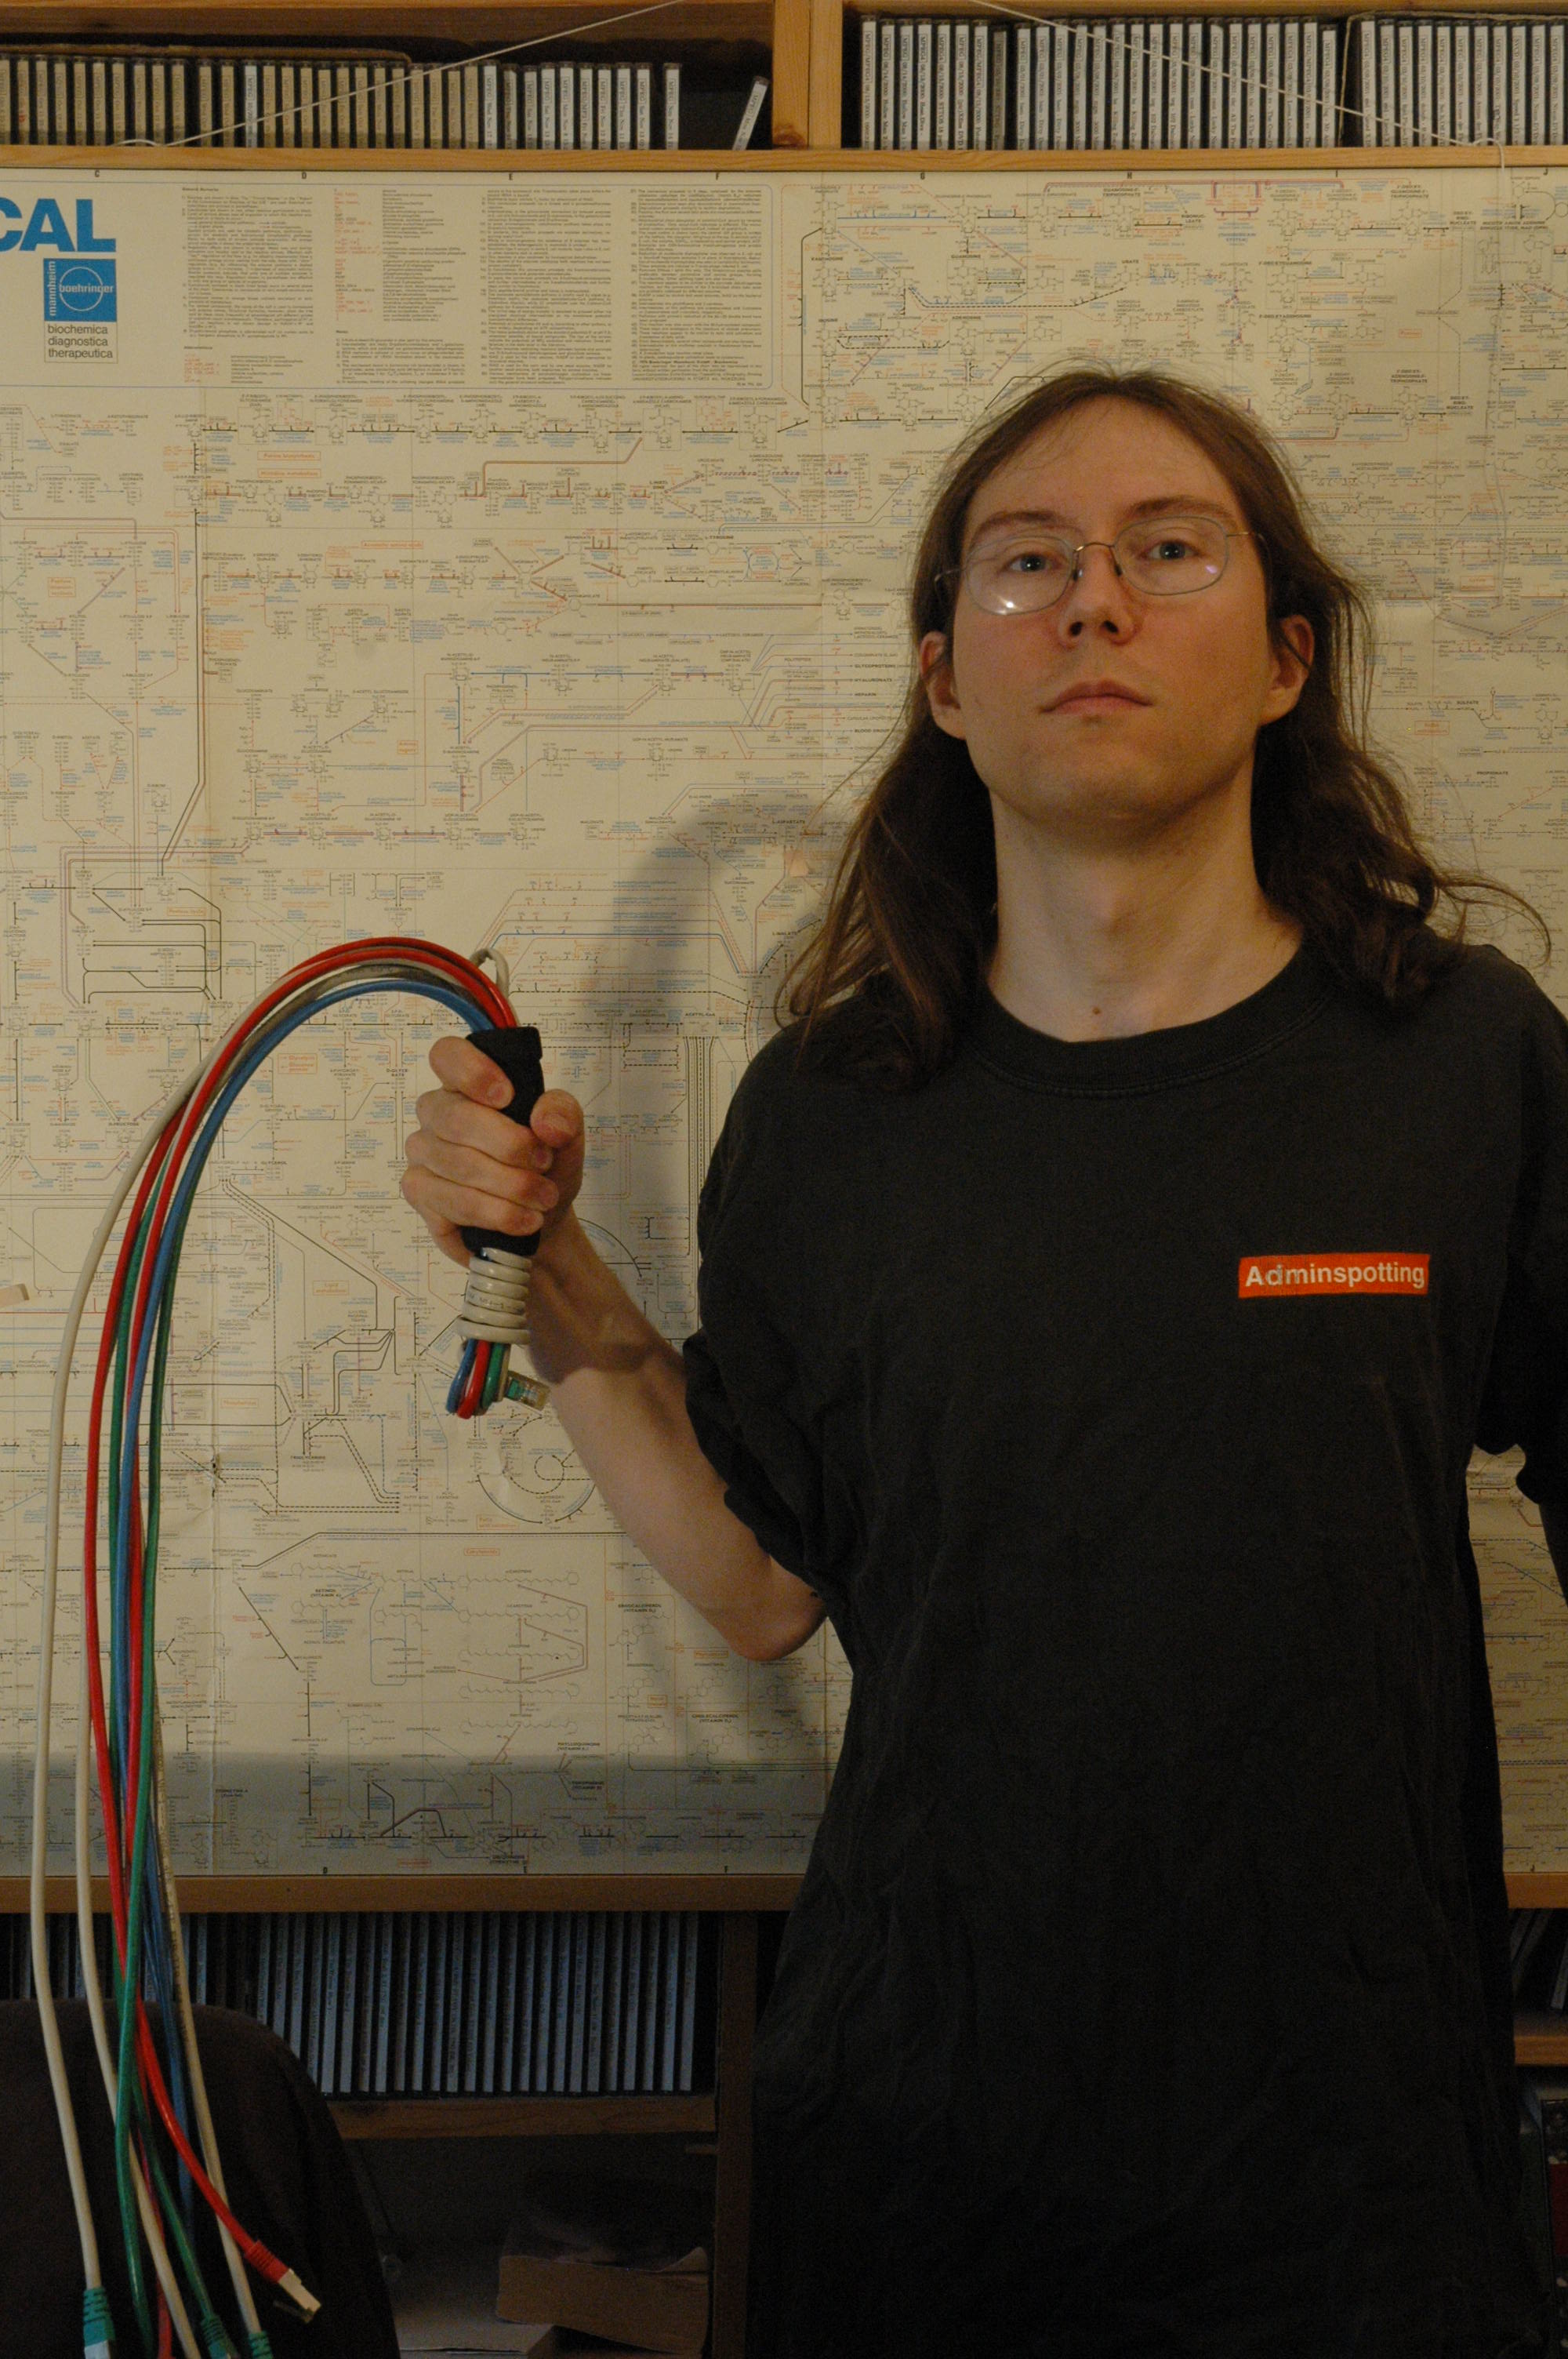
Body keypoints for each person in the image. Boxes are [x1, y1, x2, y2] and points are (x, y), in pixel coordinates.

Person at [401, 365, 1568, 2357]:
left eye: (1166, 550)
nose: (1092, 599)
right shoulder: (832, 1108)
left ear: (1285, 659)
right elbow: (763, 1581)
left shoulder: (1461, 1060)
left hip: (1352, 2178)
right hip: (924, 2166)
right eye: (1026, 562)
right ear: (945, 677)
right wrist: (548, 1266)